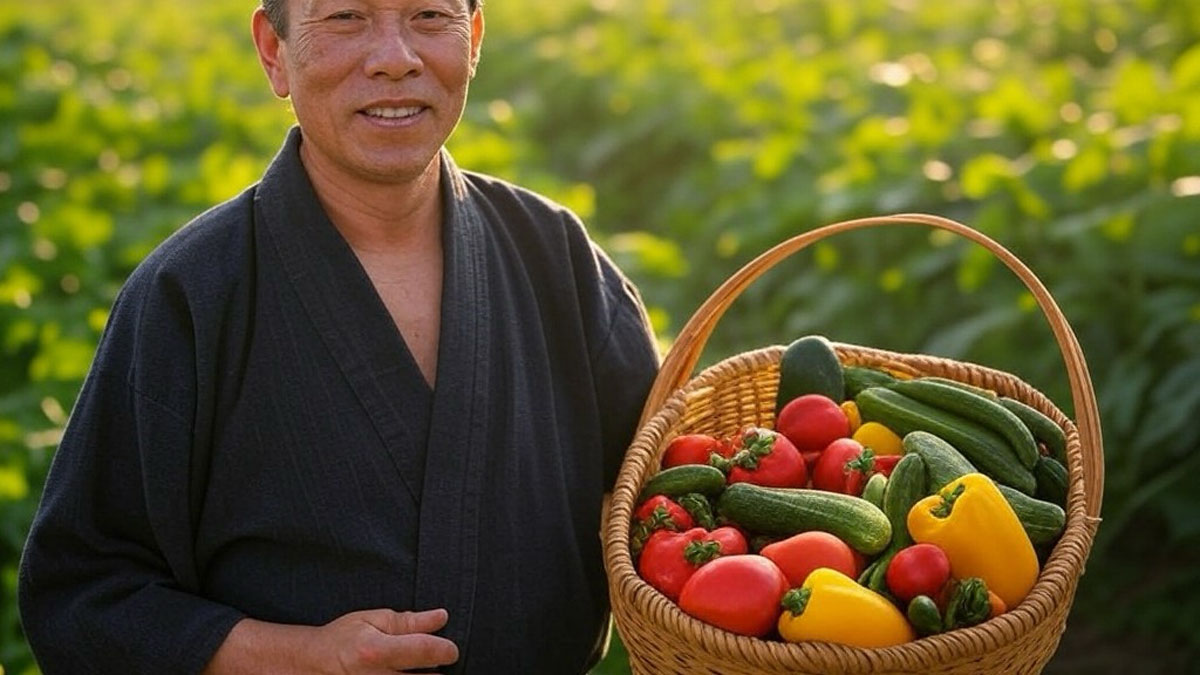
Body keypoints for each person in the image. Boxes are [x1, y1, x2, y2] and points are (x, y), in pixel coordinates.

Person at [17, 0, 660, 672]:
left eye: (429, 16)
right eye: (347, 17)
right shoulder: (192, 293)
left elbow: (682, 502)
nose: (394, 57)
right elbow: (82, 592)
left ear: (472, 39)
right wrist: (300, 656)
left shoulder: (554, 257)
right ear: (275, 51)